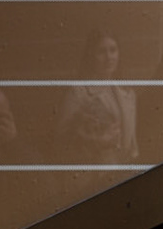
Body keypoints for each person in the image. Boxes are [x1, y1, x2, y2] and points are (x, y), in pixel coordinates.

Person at [52, 29, 139, 166]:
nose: (109, 57)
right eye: (101, 52)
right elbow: (61, 139)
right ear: (91, 56)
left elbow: (132, 144)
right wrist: (96, 142)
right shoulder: (78, 93)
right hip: (91, 173)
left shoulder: (127, 93)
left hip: (124, 172)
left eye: (113, 50)